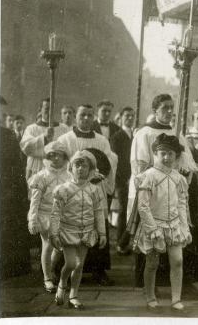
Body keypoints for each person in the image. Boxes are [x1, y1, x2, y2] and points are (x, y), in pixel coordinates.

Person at [125, 94, 197, 290]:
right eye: (165, 107)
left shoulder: (177, 132)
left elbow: (187, 163)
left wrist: (182, 172)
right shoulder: (144, 133)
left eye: (172, 107)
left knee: (175, 235)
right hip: (151, 190)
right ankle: (147, 283)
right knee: (149, 235)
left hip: (172, 191)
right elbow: (139, 167)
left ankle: (176, 282)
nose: (169, 111)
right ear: (154, 110)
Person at [57, 104, 118, 286]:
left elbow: (110, 162)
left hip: (95, 190)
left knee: (97, 227)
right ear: (76, 117)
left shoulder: (102, 140)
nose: (86, 119)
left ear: (94, 118)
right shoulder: (65, 139)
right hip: (72, 190)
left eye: (89, 116)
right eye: (82, 115)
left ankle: (98, 272)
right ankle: (65, 272)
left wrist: (100, 174)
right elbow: (59, 164)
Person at [134, 134, 191, 311]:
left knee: (177, 261)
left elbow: (182, 205)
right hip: (155, 225)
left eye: (170, 154)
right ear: (155, 155)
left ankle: (176, 299)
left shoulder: (179, 179)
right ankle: (150, 296)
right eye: (162, 153)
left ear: (176, 156)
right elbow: (143, 206)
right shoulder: (148, 176)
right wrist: (152, 229)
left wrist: (184, 227)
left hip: (174, 225)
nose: (166, 157)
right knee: (152, 263)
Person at [50, 150, 107, 309]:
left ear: (91, 169)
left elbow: (98, 212)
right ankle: (62, 284)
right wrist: (54, 233)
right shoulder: (63, 189)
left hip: (87, 232)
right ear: (71, 168)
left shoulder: (94, 189)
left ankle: (74, 295)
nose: (81, 169)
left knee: (80, 264)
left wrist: (102, 232)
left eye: (85, 166)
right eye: (77, 165)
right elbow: (55, 213)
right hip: (68, 231)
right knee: (71, 263)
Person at [27, 141, 73, 292]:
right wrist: (32, 219)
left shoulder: (69, 175)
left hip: (63, 215)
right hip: (45, 215)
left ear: (64, 156)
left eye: (59, 155)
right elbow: (35, 200)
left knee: (60, 247)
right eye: (51, 156)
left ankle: (51, 270)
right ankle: (47, 278)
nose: (55, 159)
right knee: (47, 245)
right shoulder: (42, 176)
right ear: (47, 157)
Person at [0, 96, 32, 278]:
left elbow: (16, 166)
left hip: (5, 189)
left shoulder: (7, 135)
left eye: (2, 114)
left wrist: (16, 190)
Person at [20, 98, 71, 181]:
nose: (50, 112)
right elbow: (25, 148)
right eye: (47, 109)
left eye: (52, 109)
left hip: (59, 169)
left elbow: (69, 150)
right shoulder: (31, 128)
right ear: (40, 110)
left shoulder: (64, 128)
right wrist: (43, 138)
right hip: (37, 166)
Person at [110, 106, 135, 254]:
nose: (130, 118)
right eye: (127, 116)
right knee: (124, 210)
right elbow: (115, 160)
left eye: (132, 116)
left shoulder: (135, 134)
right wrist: (124, 178)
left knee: (133, 209)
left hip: (135, 177)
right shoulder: (117, 136)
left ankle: (126, 241)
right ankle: (120, 243)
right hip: (123, 179)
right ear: (121, 117)